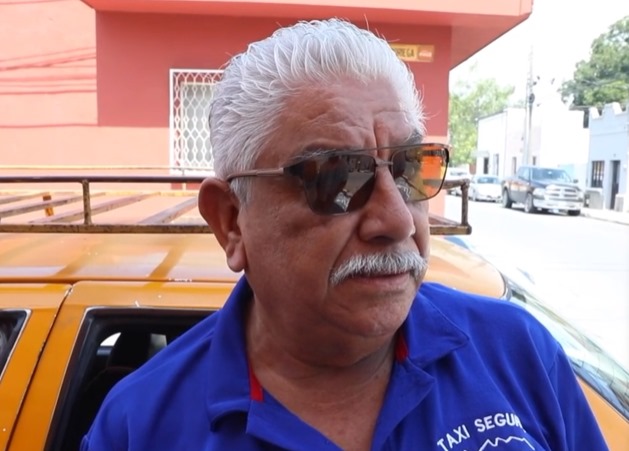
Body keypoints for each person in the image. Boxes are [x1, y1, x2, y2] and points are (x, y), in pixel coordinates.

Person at [82, 18, 608, 451]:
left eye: (410, 167)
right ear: (231, 221)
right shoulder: (138, 426)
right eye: (336, 177)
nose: (398, 221)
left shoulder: (517, 353)